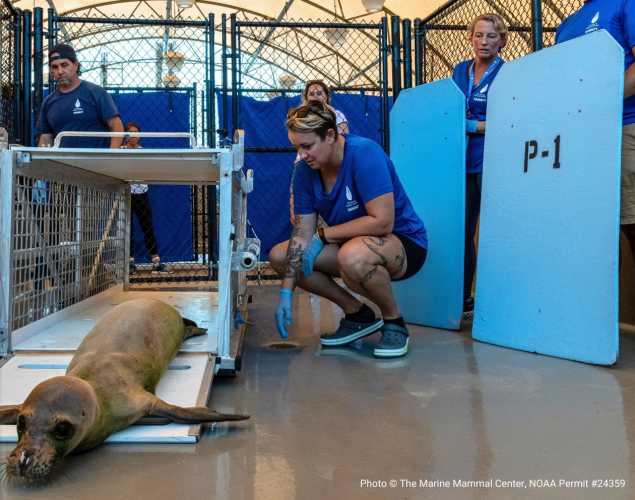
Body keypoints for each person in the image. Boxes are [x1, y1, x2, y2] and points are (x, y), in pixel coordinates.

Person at [269, 102, 428, 358]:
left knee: (352, 256)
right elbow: (301, 235)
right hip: (351, 244)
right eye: (297, 147)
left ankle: (394, 321)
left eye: (307, 146)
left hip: (404, 243)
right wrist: (287, 290)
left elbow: (382, 222)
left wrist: (323, 236)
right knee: (280, 255)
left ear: (330, 135)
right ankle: (357, 314)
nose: (302, 154)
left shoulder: (364, 153)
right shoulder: (304, 171)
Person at [556, 1, 635, 264]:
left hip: (624, 126)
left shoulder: (624, 3)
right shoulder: (565, 26)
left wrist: (602, 100)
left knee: (631, 219)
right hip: (580, 137)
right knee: (592, 229)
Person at [452, 13, 507, 318]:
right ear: (470, 37)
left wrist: (470, 125)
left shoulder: (507, 73)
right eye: (479, 35)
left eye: (491, 36)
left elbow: (507, 118)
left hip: (493, 160)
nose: (484, 42)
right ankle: (462, 297)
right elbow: (447, 108)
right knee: (462, 231)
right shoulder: (460, 70)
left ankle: (496, 302)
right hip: (458, 162)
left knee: (494, 231)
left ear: (501, 41)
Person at [37, 43, 124, 149]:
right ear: (51, 71)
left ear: (75, 65)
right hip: (63, 163)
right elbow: (46, 138)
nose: (60, 71)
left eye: (64, 65)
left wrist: (111, 157)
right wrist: (42, 162)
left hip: (95, 163)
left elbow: (116, 126)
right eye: (55, 67)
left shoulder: (96, 92)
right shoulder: (48, 102)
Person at [123, 122, 166, 273]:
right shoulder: (120, 151)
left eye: (136, 132)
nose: (133, 135)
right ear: (125, 135)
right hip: (126, 193)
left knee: (148, 227)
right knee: (127, 229)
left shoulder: (143, 152)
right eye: (130, 132)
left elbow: (149, 171)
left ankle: (156, 261)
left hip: (142, 193)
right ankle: (129, 262)